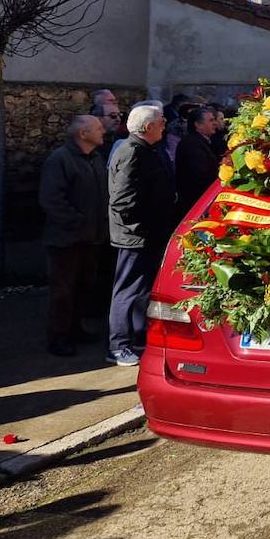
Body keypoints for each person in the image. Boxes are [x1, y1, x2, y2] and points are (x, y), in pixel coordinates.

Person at [107, 104, 176, 366]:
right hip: (135, 237)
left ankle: (136, 337)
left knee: (142, 290)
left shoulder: (146, 150)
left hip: (148, 234)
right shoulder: (131, 153)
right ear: (148, 127)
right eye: (161, 122)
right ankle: (118, 345)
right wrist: (141, 230)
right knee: (126, 290)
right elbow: (122, 201)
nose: (164, 126)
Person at [38, 115, 109, 356]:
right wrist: (77, 222)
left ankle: (75, 328)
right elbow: (51, 199)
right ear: (83, 133)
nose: (103, 132)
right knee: (63, 291)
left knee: (84, 287)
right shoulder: (60, 160)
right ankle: (58, 337)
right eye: (98, 128)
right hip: (66, 240)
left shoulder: (96, 158)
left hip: (91, 237)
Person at [175, 105, 221, 217]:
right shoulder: (192, 144)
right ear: (198, 125)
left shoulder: (201, 142)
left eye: (215, 120)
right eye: (211, 120)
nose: (215, 123)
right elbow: (201, 175)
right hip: (195, 205)